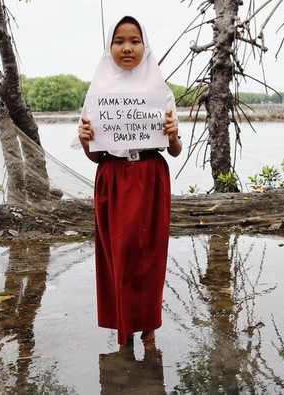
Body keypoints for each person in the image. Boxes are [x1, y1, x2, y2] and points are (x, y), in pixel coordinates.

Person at [75, 15, 182, 346]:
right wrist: (84, 140)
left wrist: (174, 135)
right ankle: (124, 329)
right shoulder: (99, 93)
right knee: (117, 255)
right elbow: (96, 155)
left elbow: (174, 151)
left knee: (149, 255)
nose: (127, 47)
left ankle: (149, 328)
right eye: (119, 41)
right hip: (113, 179)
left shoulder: (159, 92)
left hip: (151, 176)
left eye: (134, 40)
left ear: (145, 46)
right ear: (109, 48)